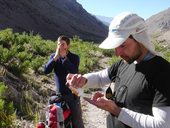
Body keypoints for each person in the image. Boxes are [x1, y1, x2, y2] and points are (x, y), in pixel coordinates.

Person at [66, 12, 170, 128]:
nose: (117, 53)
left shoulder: (163, 71)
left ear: (139, 38)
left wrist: (116, 111)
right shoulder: (125, 62)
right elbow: (101, 77)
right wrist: (84, 80)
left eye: (122, 45)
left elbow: (162, 124)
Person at [44, 35, 84, 128]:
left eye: (62, 44)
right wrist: (55, 58)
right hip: (59, 95)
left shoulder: (74, 57)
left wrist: (64, 58)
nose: (60, 46)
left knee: (76, 120)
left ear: (68, 46)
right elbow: (46, 71)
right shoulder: (54, 57)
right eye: (58, 44)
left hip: (72, 94)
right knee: (56, 119)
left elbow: (74, 71)